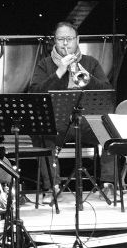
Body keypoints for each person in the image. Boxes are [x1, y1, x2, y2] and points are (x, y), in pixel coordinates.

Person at [27, 21, 117, 198]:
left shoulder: (90, 62)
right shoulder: (45, 64)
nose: (65, 43)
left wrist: (89, 78)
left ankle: (108, 184)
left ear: (78, 40)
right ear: (54, 41)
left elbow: (107, 93)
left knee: (110, 130)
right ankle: (53, 187)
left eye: (69, 39)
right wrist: (59, 72)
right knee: (41, 133)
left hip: (85, 122)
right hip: (58, 124)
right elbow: (34, 93)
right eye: (61, 39)